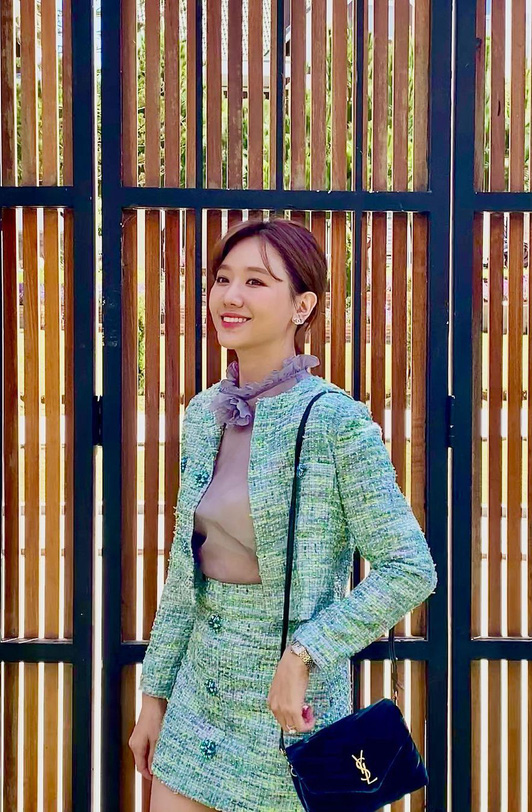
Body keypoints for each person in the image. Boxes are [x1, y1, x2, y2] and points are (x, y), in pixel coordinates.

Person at [128, 217, 438, 811]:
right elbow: (182, 577)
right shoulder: (204, 415)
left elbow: (409, 568)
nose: (231, 296)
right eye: (222, 279)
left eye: (255, 281)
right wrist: (154, 696)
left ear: (303, 306)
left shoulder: (336, 421)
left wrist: (305, 653)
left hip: (288, 717)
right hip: (196, 707)